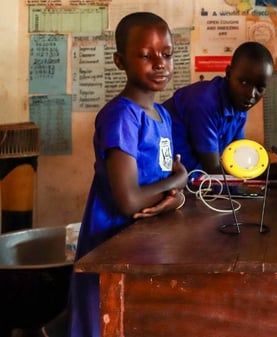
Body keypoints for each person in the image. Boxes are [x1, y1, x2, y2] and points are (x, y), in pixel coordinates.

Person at [67, 12, 188, 337]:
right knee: (105, 322)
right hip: (110, 247)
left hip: (144, 244)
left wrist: (173, 199)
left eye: (166, 54)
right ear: (120, 61)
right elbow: (129, 200)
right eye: (146, 56)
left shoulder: (161, 114)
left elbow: (163, 194)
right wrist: (178, 181)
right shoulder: (121, 116)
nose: (159, 63)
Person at [162, 41, 274, 174]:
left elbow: (237, 161)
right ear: (228, 73)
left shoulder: (240, 108)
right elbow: (213, 169)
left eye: (260, 88)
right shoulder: (204, 102)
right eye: (243, 82)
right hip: (162, 177)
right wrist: (268, 173)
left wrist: (273, 171)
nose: (251, 94)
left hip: (191, 181)